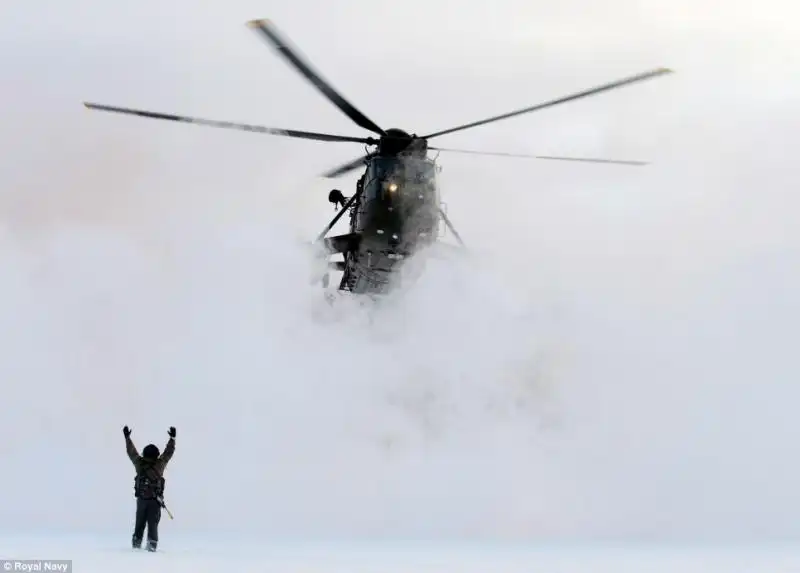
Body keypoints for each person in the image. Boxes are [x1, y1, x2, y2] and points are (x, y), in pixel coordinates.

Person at [123, 425, 176, 552]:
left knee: (139, 525)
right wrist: (172, 439)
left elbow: (131, 452)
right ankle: (151, 548)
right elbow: (168, 453)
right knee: (153, 525)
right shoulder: (160, 464)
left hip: (141, 500)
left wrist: (127, 438)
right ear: (157, 455)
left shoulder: (139, 464)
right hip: (155, 501)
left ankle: (136, 546)